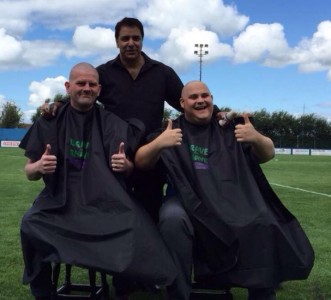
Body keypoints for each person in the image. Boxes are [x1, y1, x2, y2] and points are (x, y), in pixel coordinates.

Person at [134, 80, 315, 300]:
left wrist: (255, 137)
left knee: (262, 218)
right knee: (172, 220)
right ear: (182, 103)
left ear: (211, 99)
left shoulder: (230, 128)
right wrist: (159, 144)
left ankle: (262, 293)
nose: (200, 100)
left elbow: (267, 154)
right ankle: (178, 294)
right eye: (193, 97)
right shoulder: (170, 130)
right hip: (185, 201)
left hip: (229, 198)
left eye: (205, 96)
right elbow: (141, 162)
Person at [19, 63, 177, 300]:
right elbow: (29, 171)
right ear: (68, 86)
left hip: (104, 200)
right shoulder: (50, 120)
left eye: (92, 84)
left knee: (137, 223)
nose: (87, 88)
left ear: (99, 89)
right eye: (81, 83)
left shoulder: (112, 123)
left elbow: (131, 166)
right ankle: (42, 291)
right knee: (30, 222)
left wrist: (126, 166)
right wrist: (39, 167)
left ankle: (134, 283)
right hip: (59, 202)